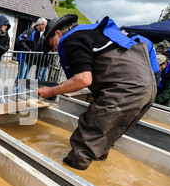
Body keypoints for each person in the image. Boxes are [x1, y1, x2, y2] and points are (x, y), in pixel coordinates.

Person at [39, 14, 156, 171]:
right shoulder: (93, 32)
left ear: (58, 33)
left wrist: (50, 91)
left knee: (84, 144)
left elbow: (83, 79)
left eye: (52, 44)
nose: (54, 49)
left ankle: (68, 179)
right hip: (147, 89)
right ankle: (96, 176)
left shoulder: (72, 39)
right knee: (104, 139)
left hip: (123, 89)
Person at [14, 17, 47, 91]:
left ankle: (20, 93)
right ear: (41, 25)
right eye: (45, 25)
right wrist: (27, 49)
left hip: (30, 59)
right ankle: (15, 93)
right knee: (21, 77)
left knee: (25, 77)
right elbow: (19, 40)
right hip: (24, 58)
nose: (45, 27)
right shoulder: (30, 31)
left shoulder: (38, 34)